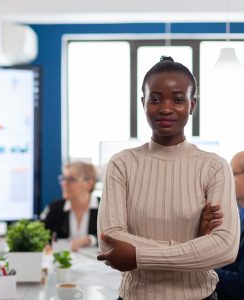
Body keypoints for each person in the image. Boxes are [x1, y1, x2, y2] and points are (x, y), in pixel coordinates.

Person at [97, 56, 240, 300]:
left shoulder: (214, 167)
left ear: (192, 104)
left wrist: (138, 256)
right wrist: (195, 244)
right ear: (142, 103)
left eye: (178, 99)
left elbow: (225, 248)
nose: (165, 107)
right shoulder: (122, 164)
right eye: (154, 98)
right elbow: (110, 241)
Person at [41, 161, 99, 251]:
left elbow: (114, 238)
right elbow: (40, 237)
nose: (64, 184)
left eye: (71, 179)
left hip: (99, 264)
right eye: (63, 179)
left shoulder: (105, 207)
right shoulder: (55, 208)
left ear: (89, 183)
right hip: (64, 264)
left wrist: (89, 240)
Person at [214, 151, 244, 299]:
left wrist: (199, 270)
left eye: (233, 174)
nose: (229, 180)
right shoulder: (237, 214)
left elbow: (241, 285)